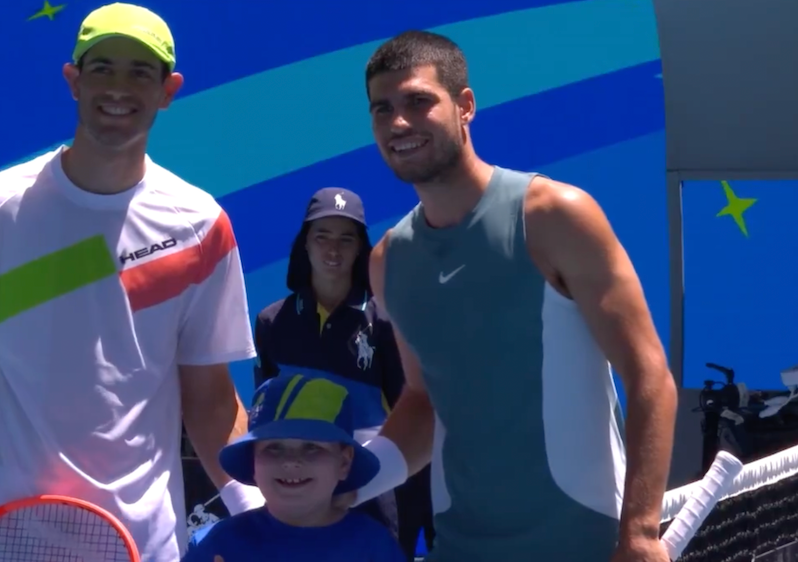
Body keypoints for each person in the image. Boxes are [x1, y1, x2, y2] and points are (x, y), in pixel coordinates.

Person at [0, 4, 265, 562]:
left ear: (169, 90)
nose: (119, 86)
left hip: (143, 548)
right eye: (103, 68)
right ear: (73, 81)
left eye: (141, 72)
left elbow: (211, 400)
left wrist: (261, 517)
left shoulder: (200, 225)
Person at [350, 31, 678, 562]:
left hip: (585, 549)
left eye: (418, 101)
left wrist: (639, 533)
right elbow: (423, 402)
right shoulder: (388, 261)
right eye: (382, 109)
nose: (399, 123)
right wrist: (348, 482)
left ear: (465, 107)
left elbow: (649, 377)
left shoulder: (555, 216)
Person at [251, 187, 433, 556]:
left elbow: (412, 414)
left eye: (345, 239)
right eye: (322, 237)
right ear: (305, 244)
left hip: (371, 484)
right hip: (299, 481)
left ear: (359, 248)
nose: (333, 250)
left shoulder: (385, 319)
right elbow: (267, 417)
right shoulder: (272, 321)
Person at [181, 374, 407, 562]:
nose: (290, 461)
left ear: (344, 462)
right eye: (274, 447)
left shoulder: (373, 546)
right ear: (253, 462)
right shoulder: (216, 545)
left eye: (311, 447)